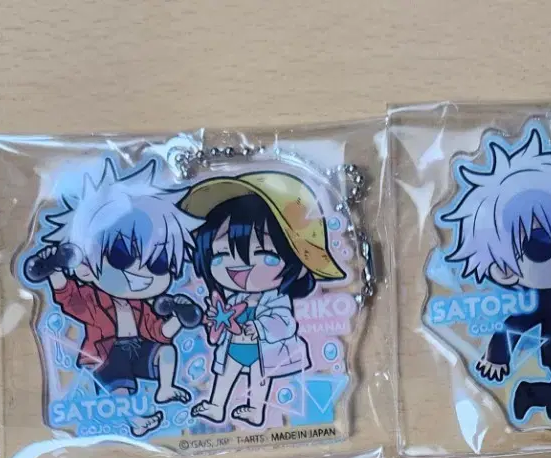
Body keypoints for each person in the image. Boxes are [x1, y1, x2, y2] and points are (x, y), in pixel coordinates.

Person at [442, 126, 551, 423]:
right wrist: (497, 358)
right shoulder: (540, 299)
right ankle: (530, 393)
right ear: (504, 270)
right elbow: (514, 323)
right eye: (540, 245)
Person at [22, 158, 204, 438]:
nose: (141, 275)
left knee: (167, 351)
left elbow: (159, 332)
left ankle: (166, 389)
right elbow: (71, 300)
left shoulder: (141, 306)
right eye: (122, 257)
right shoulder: (94, 302)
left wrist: (180, 318)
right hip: (106, 354)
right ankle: (136, 421)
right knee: (119, 388)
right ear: (84, 265)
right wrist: (55, 271)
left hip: (138, 349)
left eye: (158, 265)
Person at [179, 171, 345, 427]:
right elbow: (220, 321)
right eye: (221, 254)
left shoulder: (276, 299)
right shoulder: (232, 299)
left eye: (265, 255)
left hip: (264, 352)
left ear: (298, 262)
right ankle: (216, 405)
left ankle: (256, 410)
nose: (240, 267)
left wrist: (258, 327)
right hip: (235, 348)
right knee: (224, 375)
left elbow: (285, 323)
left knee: (259, 380)